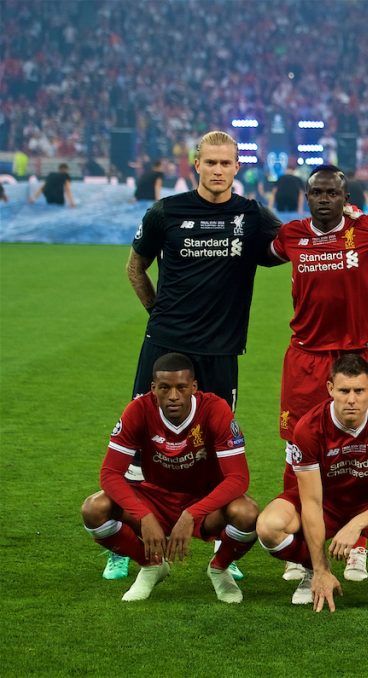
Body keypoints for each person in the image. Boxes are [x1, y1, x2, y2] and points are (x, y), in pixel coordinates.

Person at [112, 130, 280, 581]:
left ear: (237, 167)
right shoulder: (165, 212)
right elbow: (134, 267)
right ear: (196, 165)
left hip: (221, 351)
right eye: (211, 163)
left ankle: (219, 547)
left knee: (216, 449)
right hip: (166, 348)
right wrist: (159, 318)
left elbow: (295, 247)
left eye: (227, 163)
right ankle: (123, 548)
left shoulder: (252, 216)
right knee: (138, 449)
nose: (219, 170)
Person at [268, 165, 368, 582]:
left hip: (354, 354)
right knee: (298, 446)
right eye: (317, 192)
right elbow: (262, 252)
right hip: (305, 358)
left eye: (332, 193)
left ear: (346, 198)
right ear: (307, 197)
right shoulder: (291, 235)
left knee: (360, 449)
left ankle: (357, 543)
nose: (324, 199)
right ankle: (304, 548)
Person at [81, 353, 259, 603]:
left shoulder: (215, 409)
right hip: (155, 497)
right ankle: (152, 564)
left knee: (247, 513)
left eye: (181, 387)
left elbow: (238, 478)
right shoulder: (138, 409)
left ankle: (219, 569)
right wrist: (143, 515)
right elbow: (110, 473)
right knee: (94, 508)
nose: (173, 396)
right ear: (153, 389)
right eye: (164, 388)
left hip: (204, 499)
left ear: (194, 387)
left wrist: (192, 514)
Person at [255, 354, 368, 611]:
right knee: (269, 527)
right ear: (330, 389)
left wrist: (356, 524)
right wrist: (321, 567)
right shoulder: (309, 428)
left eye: (359, 390)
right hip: (326, 504)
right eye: (344, 390)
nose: (351, 399)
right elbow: (311, 502)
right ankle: (314, 570)